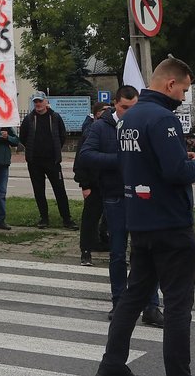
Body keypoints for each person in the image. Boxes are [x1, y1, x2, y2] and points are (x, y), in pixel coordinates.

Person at [96, 58, 195, 376]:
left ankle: (112, 364)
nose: (184, 97)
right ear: (170, 84)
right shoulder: (163, 119)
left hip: (140, 223)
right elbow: (176, 172)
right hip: (171, 226)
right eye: (184, 90)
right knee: (177, 307)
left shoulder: (129, 119)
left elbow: (146, 160)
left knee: (133, 296)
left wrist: (180, 156)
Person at [80, 85, 163, 328]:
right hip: (115, 195)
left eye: (133, 108)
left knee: (146, 252)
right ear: (115, 104)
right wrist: (120, 159)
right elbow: (86, 155)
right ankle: (120, 303)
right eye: (124, 108)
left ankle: (151, 306)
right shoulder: (100, 127)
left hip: (142, 195)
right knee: (117, 253)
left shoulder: (144, 124)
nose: (129, 113)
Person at [19, 91, 78, 230]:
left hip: (53, 161)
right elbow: (23, 137)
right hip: (34, 162)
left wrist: (55, 150)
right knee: (39, 191)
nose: (38, 104)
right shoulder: (29, 119)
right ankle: (44, 218)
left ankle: (67, 218)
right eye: (36, 102)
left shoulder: (55, 117)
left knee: (60, 190)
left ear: (46, 102)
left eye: (40, 101)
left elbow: (62, 135)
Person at [74, 101, 111, 265]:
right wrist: (85, 184)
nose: (108, 112)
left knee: (112, 219)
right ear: (96, 114)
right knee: (90, 219)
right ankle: (86, 251)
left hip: (111, 184)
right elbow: (80, 162)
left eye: (110, 110)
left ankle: (107, 244)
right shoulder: (89, 132)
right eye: (104, 110)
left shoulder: (114, 130)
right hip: (94, 185)